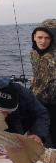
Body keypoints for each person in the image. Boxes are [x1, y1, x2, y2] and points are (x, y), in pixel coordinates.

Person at [0, 77, 50, 145]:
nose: (3, 115)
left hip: (17, 120)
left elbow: (41, 113)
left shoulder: (25, 95)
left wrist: (38, 134)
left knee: (15, 143)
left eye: (7, 111)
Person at [30, 19, 56, 148]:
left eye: (47, 38)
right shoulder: (33, 53)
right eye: (40, 37)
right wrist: (35, 78)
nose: (43, 41)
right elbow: (37, 71)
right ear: (34, 37)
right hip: (39, 101)